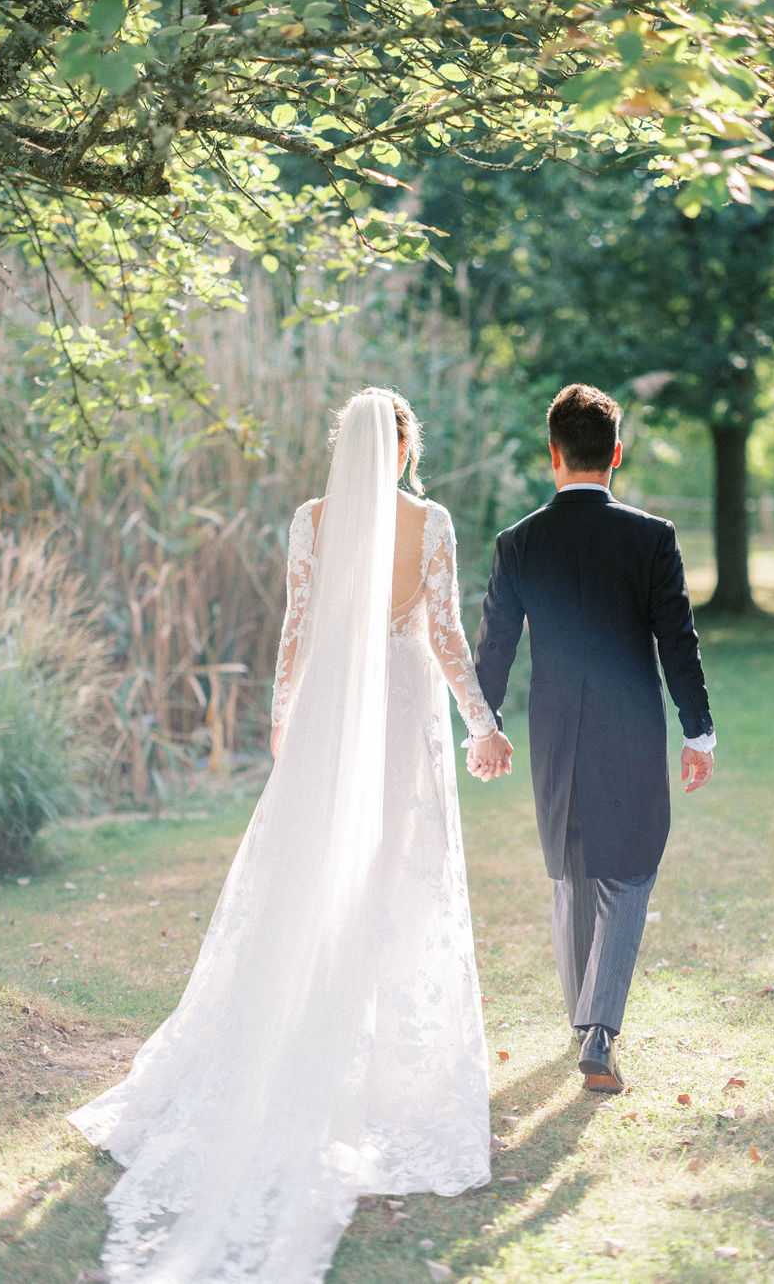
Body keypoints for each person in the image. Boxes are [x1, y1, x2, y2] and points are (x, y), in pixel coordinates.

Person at [69, 388, 513, 1284]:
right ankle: (377, 1070)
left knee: (309, 874)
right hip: (399, 712)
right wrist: (482, 720)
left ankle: (308, 1046)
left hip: (328, 718)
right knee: (395, 878)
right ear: (400, 449)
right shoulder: (431, 523)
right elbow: (446, 633)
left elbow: (297, 631)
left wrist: (282, 718)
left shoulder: (309, 520)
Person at [472, 383, 715, 1093]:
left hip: (553, 733)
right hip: (631, 730)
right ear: (616, 453)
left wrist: (485, 727)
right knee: (630, 869)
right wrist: (697, 731)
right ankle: (600, 1030)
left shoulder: (517, 542)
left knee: (572, 873)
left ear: (554, 456)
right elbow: (680, 643)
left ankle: (586, 1025)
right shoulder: (651, 537)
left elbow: (493, 649)